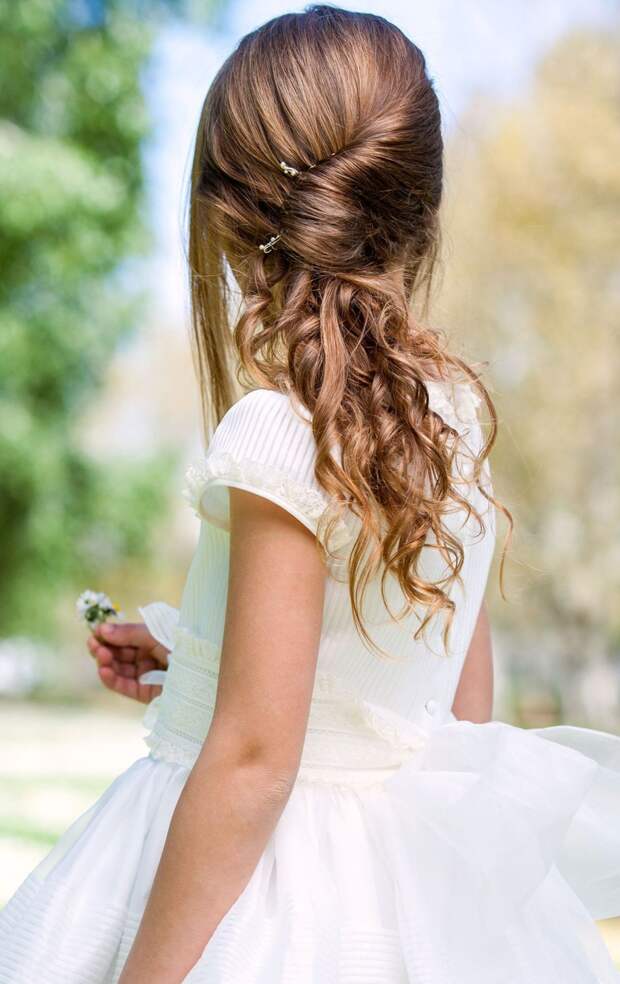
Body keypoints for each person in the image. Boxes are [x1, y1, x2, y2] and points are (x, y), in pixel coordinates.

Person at [2, 7, 619, 983]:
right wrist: (195, 659)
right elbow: (446, 709)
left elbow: (254, 760)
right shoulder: (453, 420)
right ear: (419, 205)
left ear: (228, 212)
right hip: (392, 907)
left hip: (264, 912)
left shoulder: (278, 429)